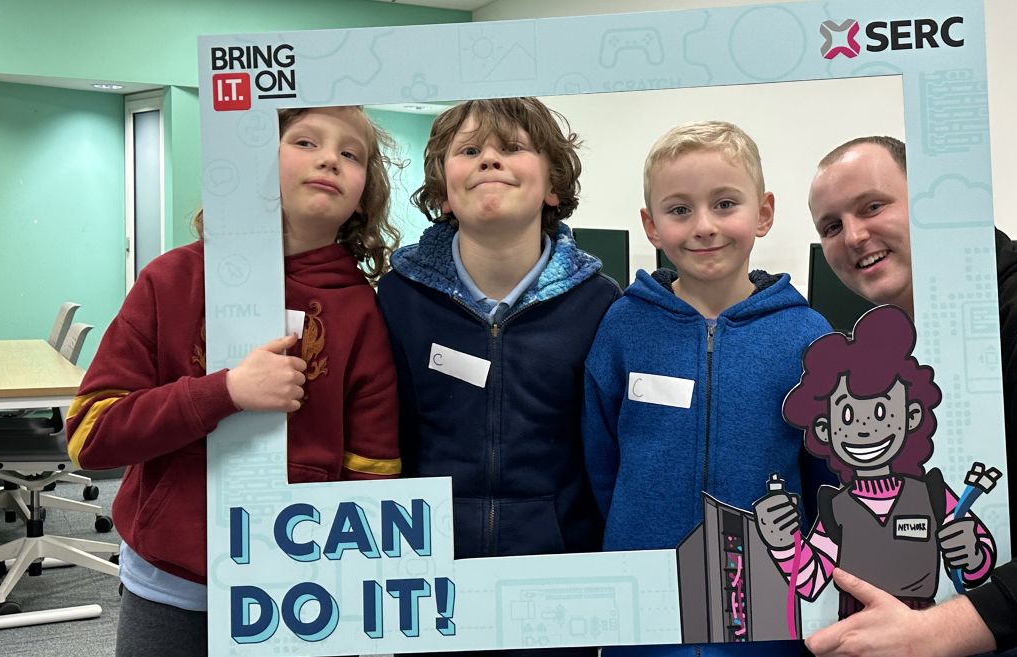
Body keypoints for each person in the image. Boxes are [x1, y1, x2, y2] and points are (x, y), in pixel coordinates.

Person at [65, 106, 403, 657]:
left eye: (350, 153)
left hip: (297, 589)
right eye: (305, 142)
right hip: (172, 585)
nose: (328, 159)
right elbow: (89, 438)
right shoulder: (172, 280)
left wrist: (357, 584)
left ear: (364, 194)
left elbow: (372, 466)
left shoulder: (363, 310)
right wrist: (222, 392)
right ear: (252, 161)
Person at [803, 136, 1017, 656]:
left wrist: (931, 634)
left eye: (873, 206)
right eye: (831, 226)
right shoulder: (911, 350)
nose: (854, 236)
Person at [376, 97, 620, 657]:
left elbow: (608, 452)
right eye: (469, 151)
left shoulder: (602, 306)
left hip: (558, 582)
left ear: (553, 185)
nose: (490, 160)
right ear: (441, 190)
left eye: (511, 148)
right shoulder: (396, 297)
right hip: (429, 579)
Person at [581, 120, 834, 656]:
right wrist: (635, 532)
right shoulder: (623, 326)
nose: (703, 226)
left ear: (763, 212)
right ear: (650, 225)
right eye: (679, 210)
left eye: (725, 204)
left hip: (769, 598)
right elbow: (600, 458)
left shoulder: (807, 335)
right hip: (644, 592)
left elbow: (824, 476)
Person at [756, 304, 996, 619]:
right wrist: (783, 542)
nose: (865, 428)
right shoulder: (834, 508)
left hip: (927, 631)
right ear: (825, 429)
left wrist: (973, 555)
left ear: (911, 416)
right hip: (854, 630)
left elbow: (980, 567)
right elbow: (810, 582)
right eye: (848, 415)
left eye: (881, 412)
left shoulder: (934, 494)